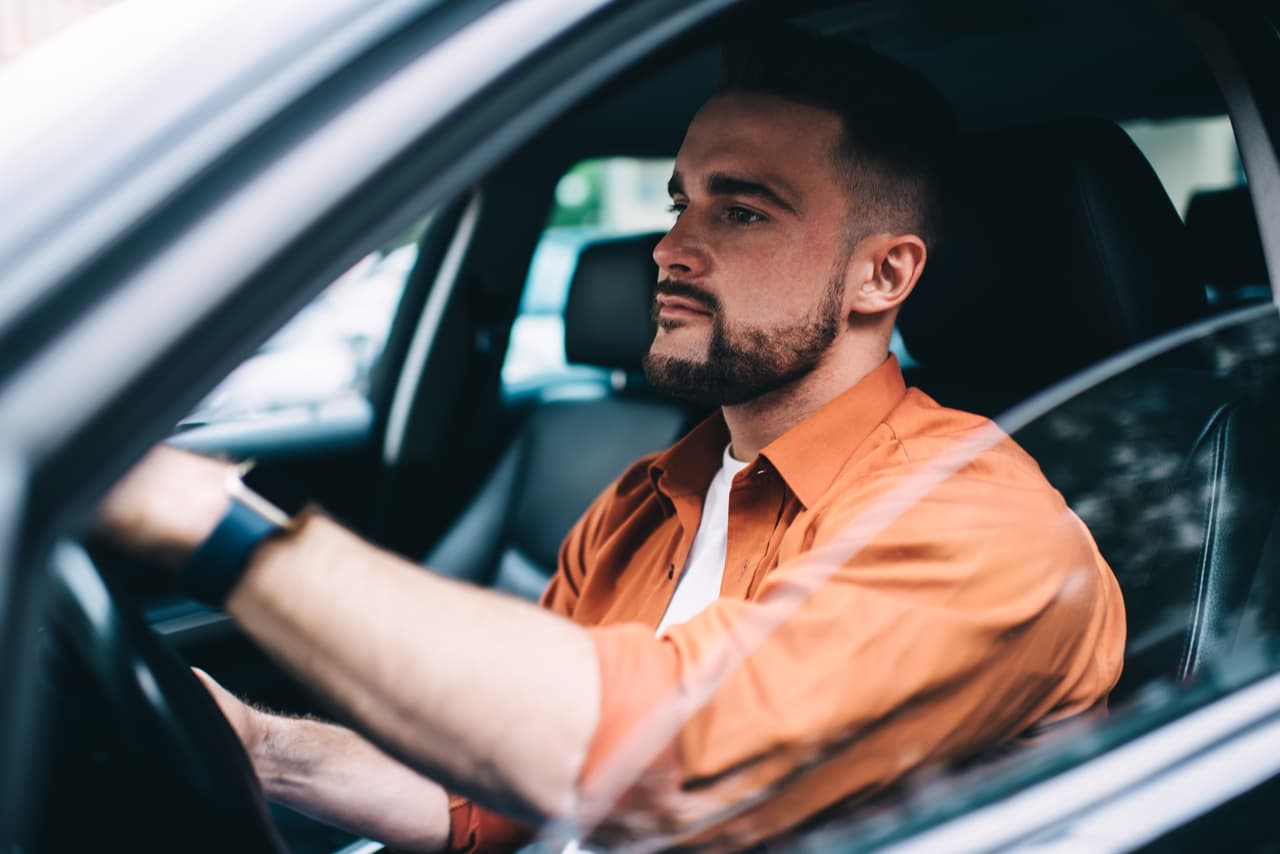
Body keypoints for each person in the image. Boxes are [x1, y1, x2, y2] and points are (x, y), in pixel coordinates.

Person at [99, 26, 1125, 853]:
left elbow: (661, 763)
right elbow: (494, 798)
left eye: (742, 211)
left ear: (882, 276)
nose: (669, 247)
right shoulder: (646, 497)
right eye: (681, 201)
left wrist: (211, 521)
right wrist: (259, 744)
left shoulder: (979, 521)